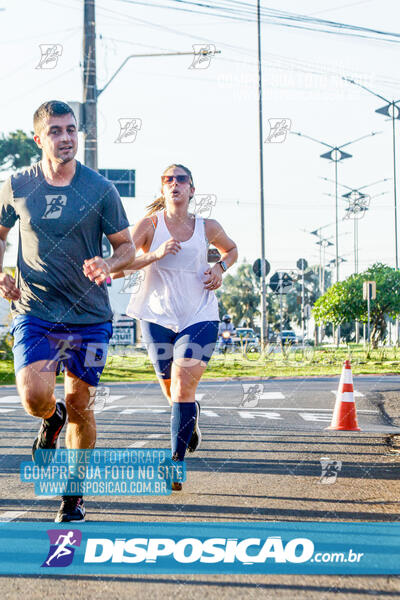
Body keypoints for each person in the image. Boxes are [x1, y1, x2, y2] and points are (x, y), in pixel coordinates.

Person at [0, 100, 135, 522]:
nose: (66, 138)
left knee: (82, 404)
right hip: (35, 310)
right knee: (34, 396)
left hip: (90, 317)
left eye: (71, 130)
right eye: (56, 131)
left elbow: (126, 247)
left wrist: (108, 264)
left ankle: (73, 497)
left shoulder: (100, 189)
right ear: (39, 139)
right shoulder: (17, 185)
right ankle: (49, 418)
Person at [113, 164, 237, 489]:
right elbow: (120, 267)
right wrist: (154, 254)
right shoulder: (149, 226)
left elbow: (232, 250)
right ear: (162, 190)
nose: (175, 184)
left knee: (182, 386)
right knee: (173, 393)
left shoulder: (207, 226)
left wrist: (220, 268)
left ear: (192, 190)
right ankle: (190, 413)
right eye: (169, 180)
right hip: (156, 317)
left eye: (181, 179)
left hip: (199, 315)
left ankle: (175, 464)